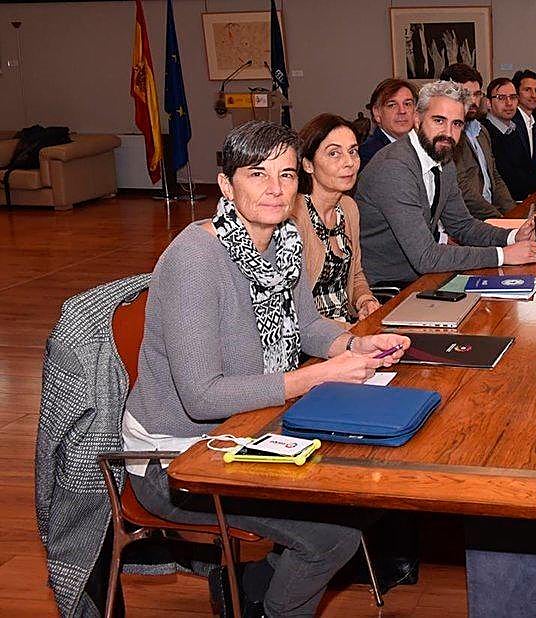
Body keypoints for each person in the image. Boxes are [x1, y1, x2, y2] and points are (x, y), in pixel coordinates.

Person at [122, 120, 410, 618]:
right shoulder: (195, 258)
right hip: (177, 460)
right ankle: (264, 603)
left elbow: (303, 323)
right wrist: (318, 375)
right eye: (258, 174)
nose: (276, 189)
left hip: (247, 429)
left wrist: (356, 343)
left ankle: (252, 587)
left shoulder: (285, 243)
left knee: (371, 488)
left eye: (287, 175)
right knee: (331, 538)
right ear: (226, 185)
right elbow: (201, 398)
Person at [357, 80, 536, 287]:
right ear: (417, 119)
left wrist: (512, 237)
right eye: (439, 120)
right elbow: (426, 257)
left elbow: (462, 225)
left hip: (426, 278)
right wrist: (502, 255)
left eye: (457, 124)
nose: (448, 132)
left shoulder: (442, 157)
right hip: (389, 289)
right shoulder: (394, 168)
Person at [293, 113, 381, 322]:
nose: (349, 162)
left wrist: (365, 300)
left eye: (353, 152)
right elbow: (294, 309)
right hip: (311, 341)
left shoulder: (348, 208)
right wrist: (347, 336)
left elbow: (356, 275)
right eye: (334, 153)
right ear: (308, 165)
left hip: (346, 329)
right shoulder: (294, 215)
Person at [440, 62, 516, 220]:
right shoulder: (447, 137)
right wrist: (500, 219)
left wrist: (514, 214)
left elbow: (495, 177)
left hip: (493, 215)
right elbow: (462, 190)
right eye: (466, 94)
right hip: (469, 221)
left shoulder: (481, 131)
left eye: (477, 94)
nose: (473, 101)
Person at [360, 78, 417, 168]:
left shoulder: (422, 145)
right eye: (392, 105)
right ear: (377, 113)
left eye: (407, 104)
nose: (402, 111)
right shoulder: (369, 154)